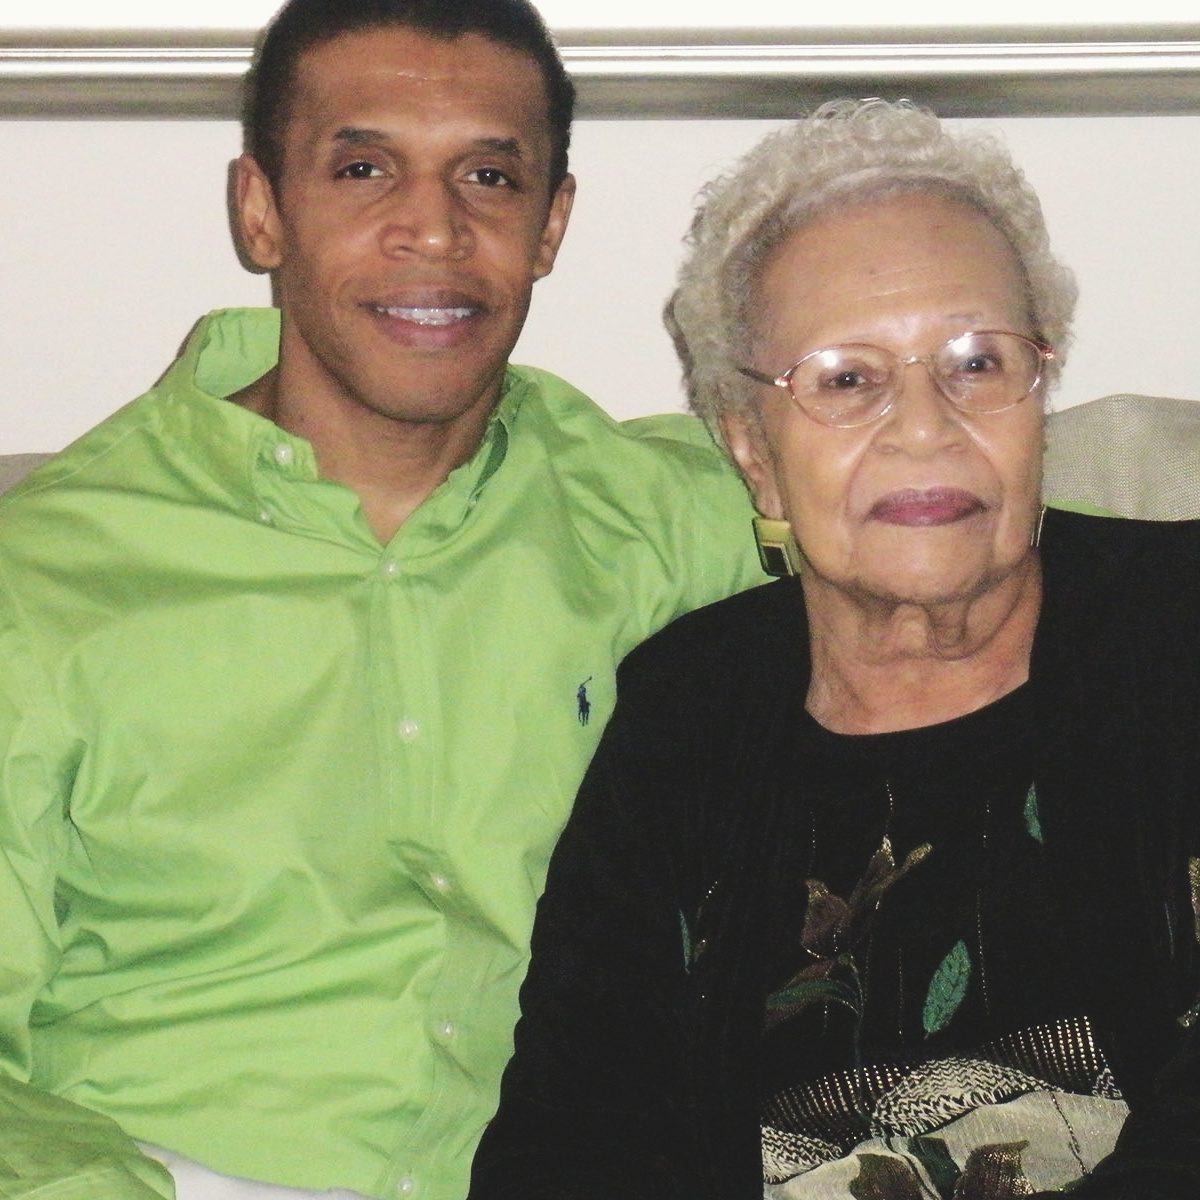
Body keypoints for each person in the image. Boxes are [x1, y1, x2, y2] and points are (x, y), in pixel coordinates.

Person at [0, 2, 767, 1198]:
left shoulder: (667, 519)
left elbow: (941, 527)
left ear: (552, 223)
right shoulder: (43, 579)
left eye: (488, 178)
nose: (434, 232)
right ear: (261, 208)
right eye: (364, 170)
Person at [469, 99, 1200, 1199]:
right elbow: (574, 1132)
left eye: (977, 362)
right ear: (754, 453)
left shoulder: (1178, 625)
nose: (923, 425)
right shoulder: (684, 721)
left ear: (1038, 402)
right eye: (846, 379)